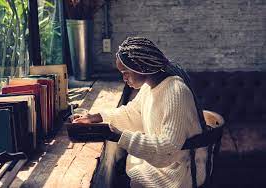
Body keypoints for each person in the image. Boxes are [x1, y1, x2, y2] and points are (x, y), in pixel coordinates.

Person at [72, 37, 207, 188]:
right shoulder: (149, 87)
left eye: (125, 72)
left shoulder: (175, 91)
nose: (123, 78)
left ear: (141, 67)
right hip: (169, 161)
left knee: (125, 173)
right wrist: (97, 117)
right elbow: (133, 114)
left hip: (182, 169)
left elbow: (167, 149)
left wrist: (118, 136)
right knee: (126, 167)